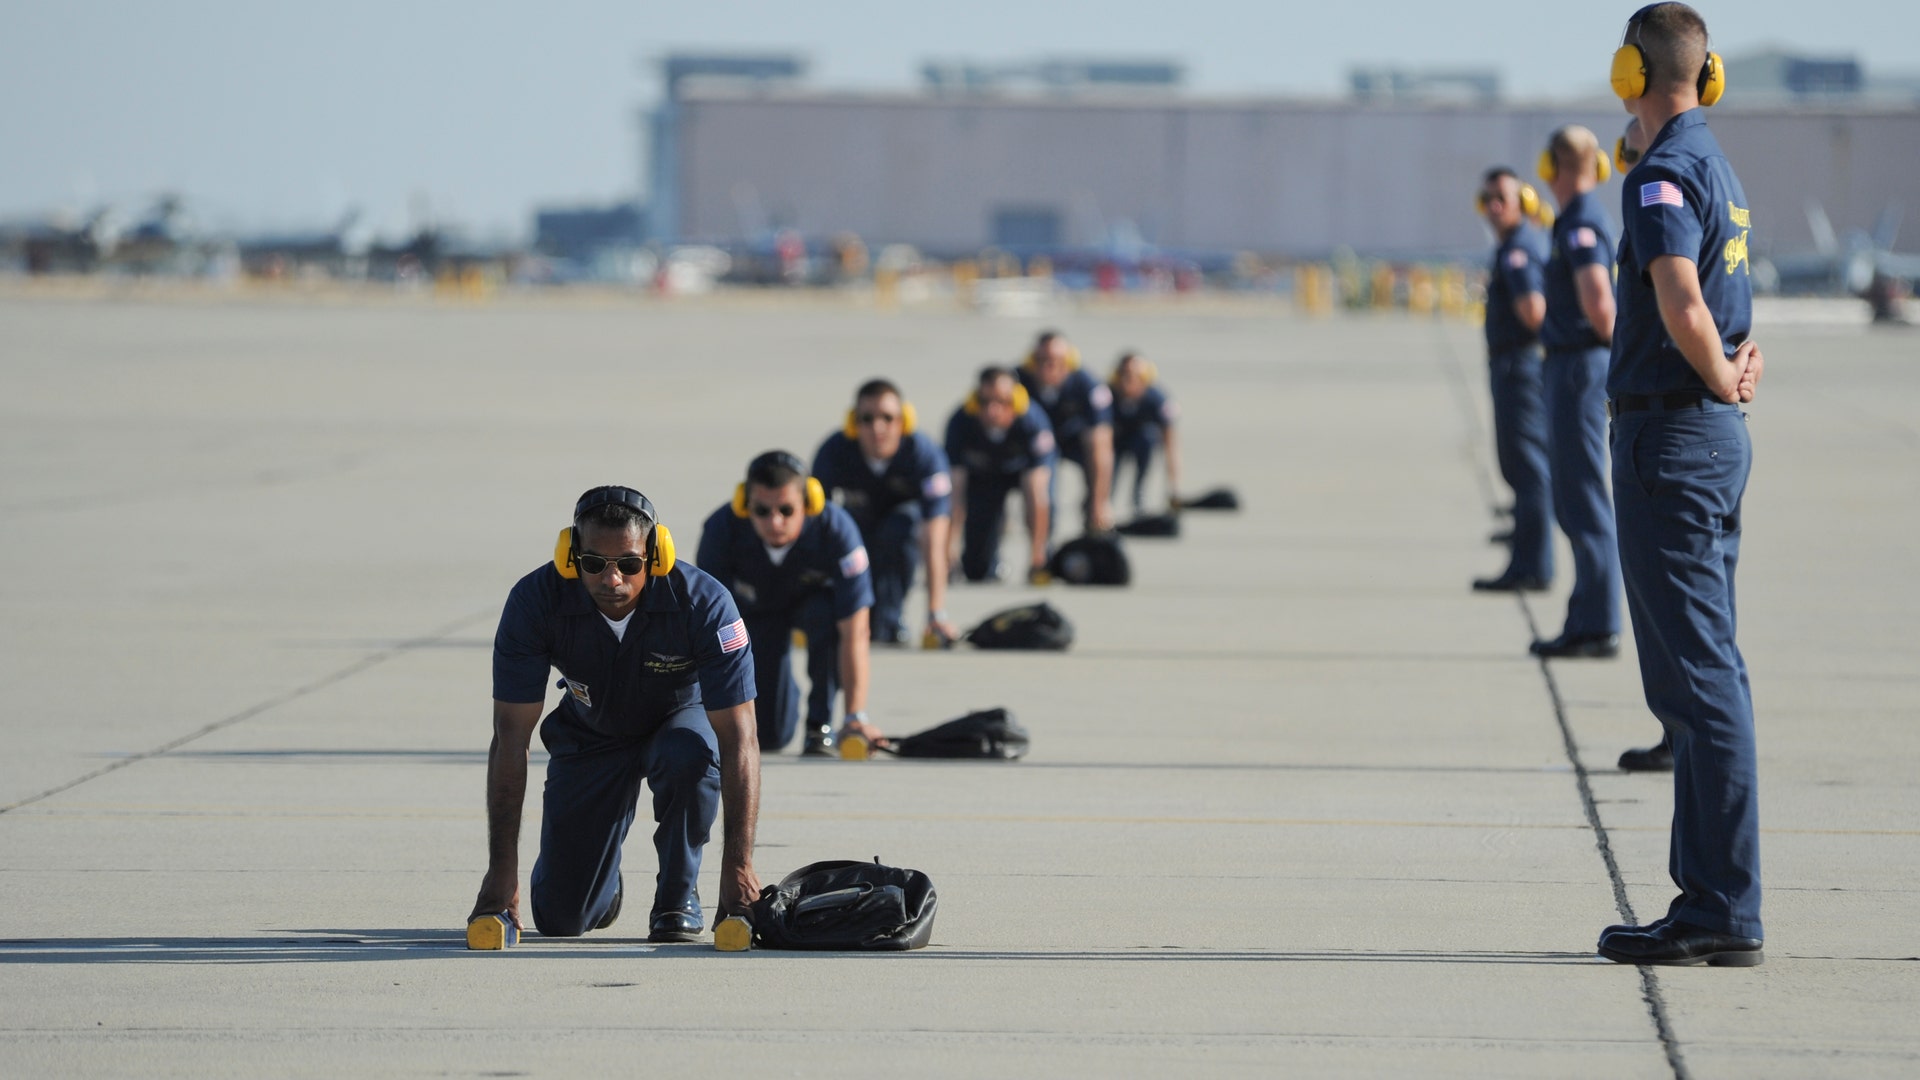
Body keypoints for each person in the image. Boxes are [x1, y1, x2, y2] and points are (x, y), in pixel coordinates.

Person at [1594, 2, 1767, 968]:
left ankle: (1720, 907)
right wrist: (1731, 377)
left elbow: (1681, 298)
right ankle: (1710, 898)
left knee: (1697, 682)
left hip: (1673, 436)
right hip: (1710, 433)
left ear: (1630, 72)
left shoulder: (1662, 173)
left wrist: (1708, 371)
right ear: (1710, 78)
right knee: (1710, 674)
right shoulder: (1717, 166)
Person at [473, 486, 760, 943]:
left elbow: (740, 737)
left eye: (629, 563)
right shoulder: (535, 601)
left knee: (690, 753)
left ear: (656, 555)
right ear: (571, 557)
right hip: (592, 733)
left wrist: (739, 866)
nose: (612, 580)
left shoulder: (704, 604)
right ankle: (602, 884)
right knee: (561, 919)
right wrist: (500, 870)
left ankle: (676, 895)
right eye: (593, 564)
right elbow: (510, 737)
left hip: (679, 721)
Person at [697, 451, 878, 757]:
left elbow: (856, 631)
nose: (775, 521)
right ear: (744, 505)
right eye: (762, 510)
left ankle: (820, 725)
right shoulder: (720, 531)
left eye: (786, 509)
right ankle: (782, 692)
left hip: (812, 609)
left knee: (828, 615)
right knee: (769, 737)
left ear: (809, 505)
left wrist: (854, 716)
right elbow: (705, 627)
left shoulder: (837, 532)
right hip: (756, 616)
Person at [1532, 125, 1624, 660]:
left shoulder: (1581, 223)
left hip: (1577, 370)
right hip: (1572, 367)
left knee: (1583, 495)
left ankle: (1597, 623)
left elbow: (1600, 305)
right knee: (1574, 496)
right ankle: (1588, 616)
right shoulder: (1577, 220)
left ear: (1554, 167)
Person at [811, 379, 960, 648]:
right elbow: (814, 526)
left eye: (887, 418)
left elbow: (935, 538)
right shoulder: (834, 451)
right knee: (839, 530)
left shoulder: (924, 456)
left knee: (900, 528)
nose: (877, 427)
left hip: (904, 531)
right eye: (866, 418)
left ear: (904, 421)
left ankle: (891, 619)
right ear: (852, 422)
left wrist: (935, 613)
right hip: (859, 522)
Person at [1473, 169, 1555, 592]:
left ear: (1522, 200)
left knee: (1527, 468)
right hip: (1514, 367)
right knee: (1519, 466)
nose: (1493, 207)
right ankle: (1527, 555)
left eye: (1501, 197)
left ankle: (1533, 565)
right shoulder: (1516, 245)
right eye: (1487, 199)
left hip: (1519, 368)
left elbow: (1534, 312)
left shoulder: (1519, 250)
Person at [945, 365, 1057, 584]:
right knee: (976, 570)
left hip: (1024, 474)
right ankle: (987, 561)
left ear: (1015, 401)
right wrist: (949, 553)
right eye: (985, 402)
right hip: (985, 476)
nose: (993, 410)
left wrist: (1036, 559)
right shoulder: (960, 423)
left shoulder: (1033, 423)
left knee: (1045, 502)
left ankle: (1043, 554)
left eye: (1002, 401)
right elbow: (954, 492)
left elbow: (1036, 491)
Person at [1017, 330, 1115, 533]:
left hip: (1073, 439)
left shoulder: (1087, 386)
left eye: (1055, 360)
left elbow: (1101, 444)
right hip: (1032, 445)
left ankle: (1092, 521)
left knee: (1098, 459)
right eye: (1042, 360)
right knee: (1043, 496)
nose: (1049, 367)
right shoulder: (1017, 381)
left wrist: (1099, 502)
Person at [1108, 352, 1181, 515]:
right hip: (1115, 444)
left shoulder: (1157, 400)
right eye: (1123, 375)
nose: (1127, 381)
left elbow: (1170, 446)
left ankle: (1138, 496)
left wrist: (1173, 489)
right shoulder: (1106, 396)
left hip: (1141, 444)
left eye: (1134, 376)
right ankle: (1105, 501)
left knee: (1148, 437)